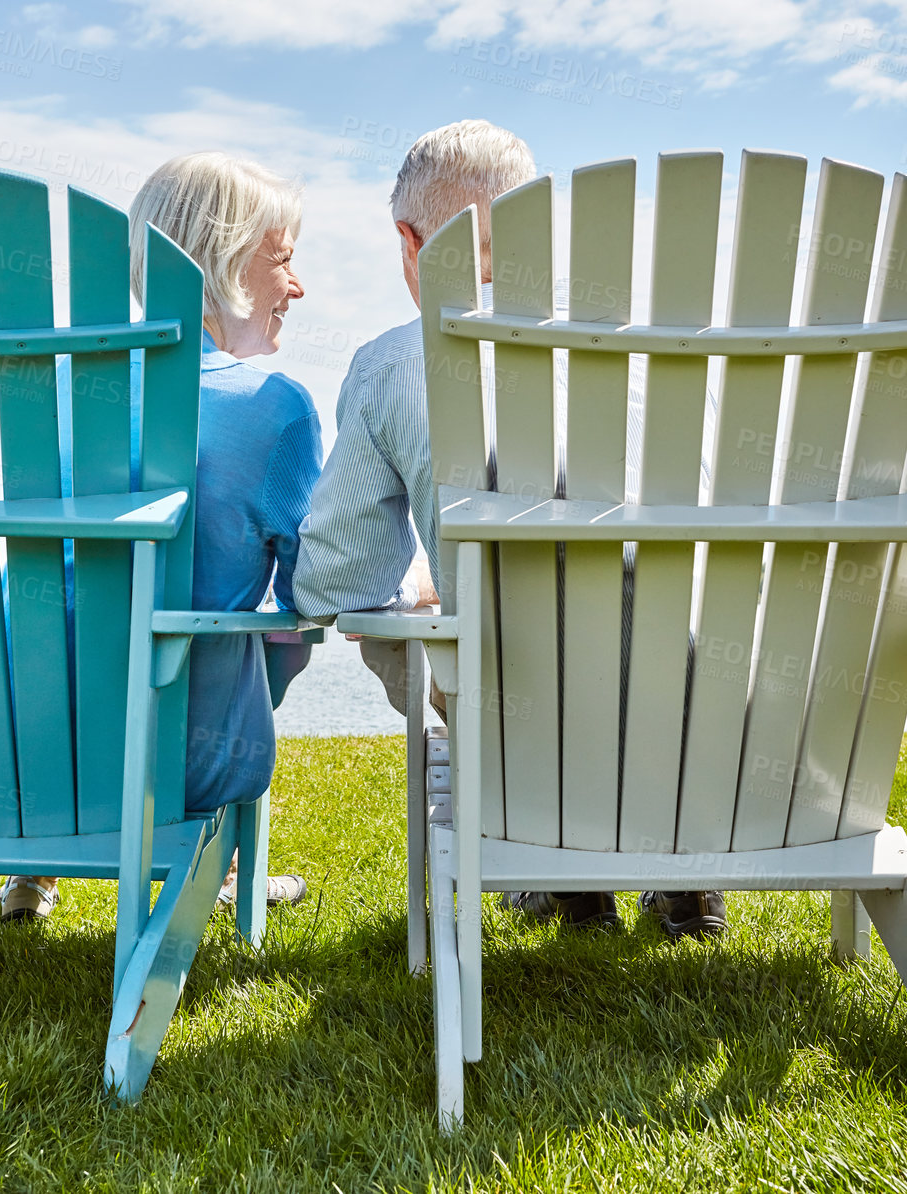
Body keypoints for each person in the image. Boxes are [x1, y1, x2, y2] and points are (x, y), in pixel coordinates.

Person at [291, 119, 727, 939]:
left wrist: (420, 589)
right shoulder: (658, 352)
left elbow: (332, 586)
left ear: (408, 243)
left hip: (524, 723)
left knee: (410, 620)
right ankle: (681, 871)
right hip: (705, 711)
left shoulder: (393, 365)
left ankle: (549, 845)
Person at [0, 152, 323, 923]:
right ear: (225, 261)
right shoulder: (273, 407)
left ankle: (37, 860)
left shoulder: (51, 399)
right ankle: (218, 854)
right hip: (188, 764)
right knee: (281, 630)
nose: (297, 286)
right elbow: (315, 587)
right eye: (282, 260)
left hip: (21, 751)